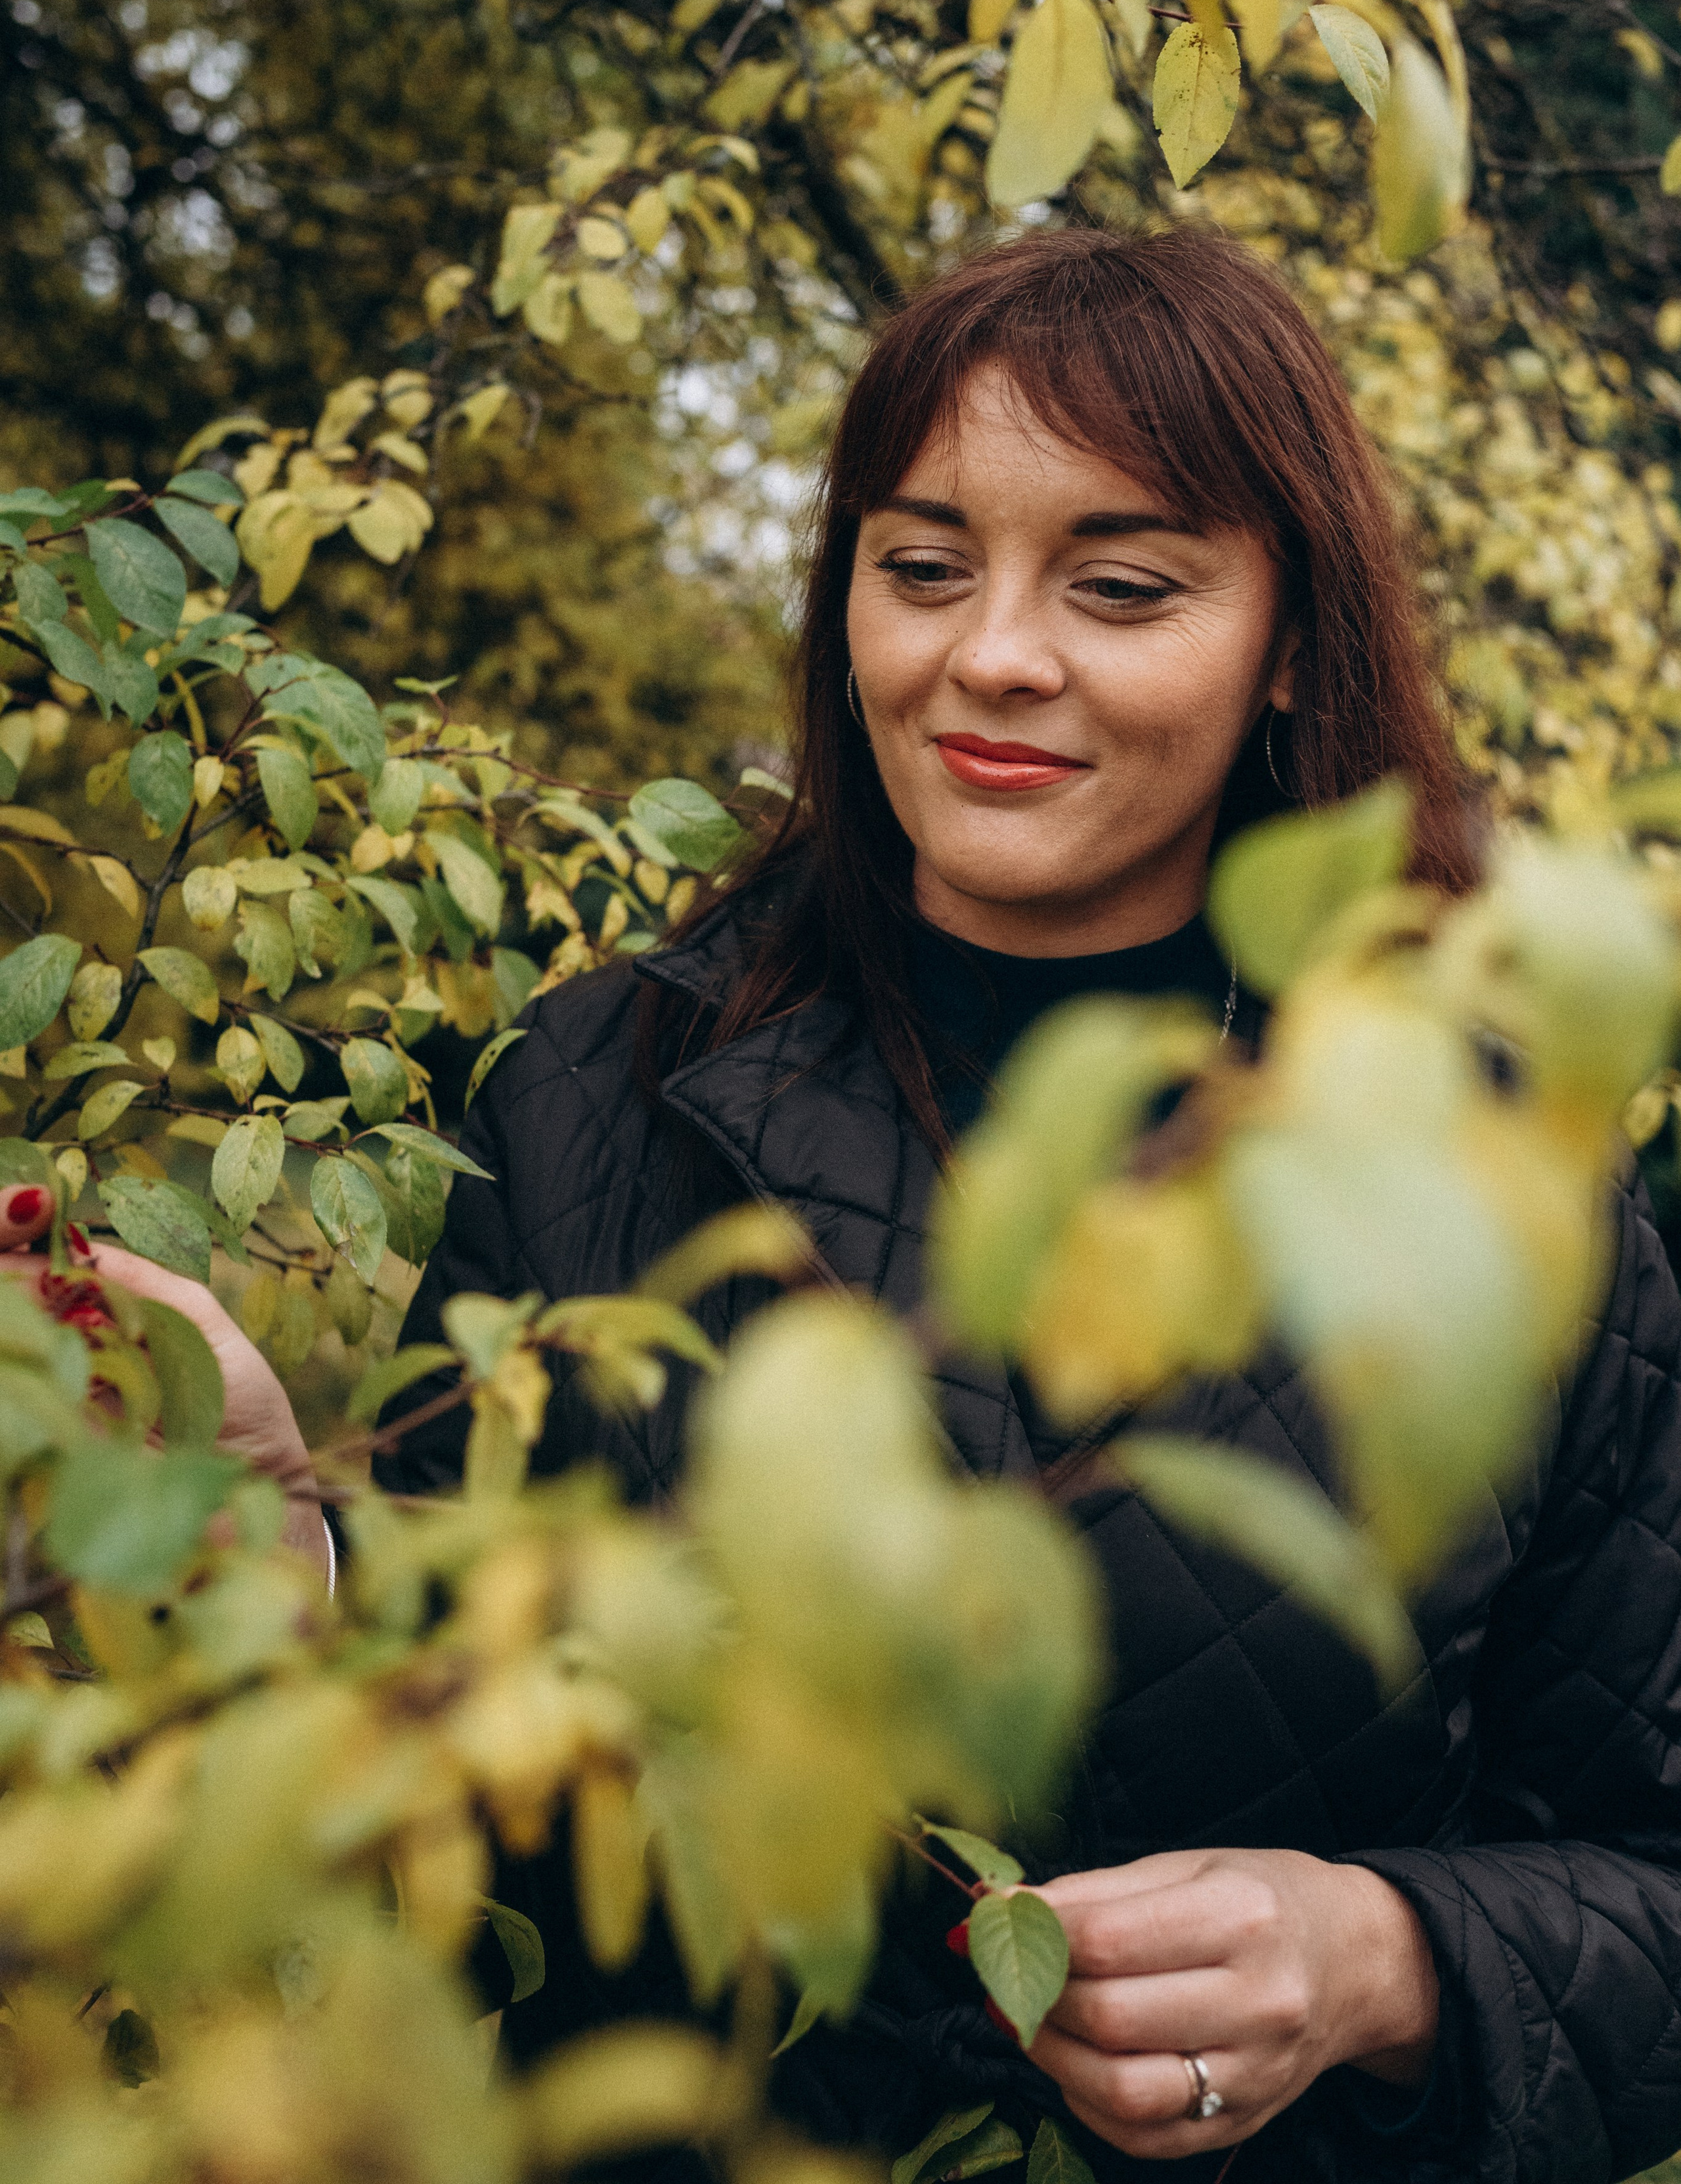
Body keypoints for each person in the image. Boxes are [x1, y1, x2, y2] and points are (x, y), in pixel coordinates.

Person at [37, 227, 1681, 2184]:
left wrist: (1393, 1957)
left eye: (1125, 585)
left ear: (1293, 644)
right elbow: (446, 1795)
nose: (989, 652)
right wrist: (276, 1558)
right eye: (920, 567)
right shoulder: (596, 1096)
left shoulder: (1504, 1199)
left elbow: (1649, 1878)